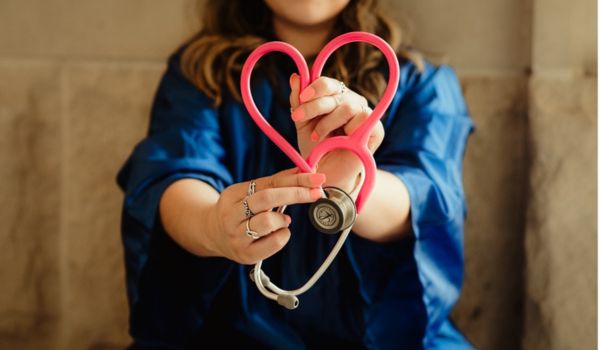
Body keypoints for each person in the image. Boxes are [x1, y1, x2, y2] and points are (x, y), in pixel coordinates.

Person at [117, 0, 475, 348]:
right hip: (227, 331)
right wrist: (213, 227)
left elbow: (426, 197)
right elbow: (171, 173)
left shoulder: (421, 83)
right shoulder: (198, 73)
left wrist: (348, 184)